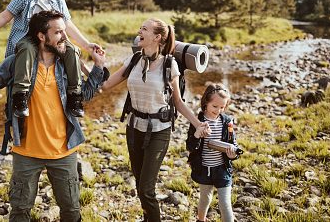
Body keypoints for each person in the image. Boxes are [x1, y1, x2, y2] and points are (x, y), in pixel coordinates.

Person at [0, 10, 106, 222]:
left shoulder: (67, 64)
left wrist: (99, 66)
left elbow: (84, 94)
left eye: (64, 31)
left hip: (64, 152)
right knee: (20, 212)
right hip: (26, 152)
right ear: (41, 36)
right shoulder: (17, 62)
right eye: (58, 32)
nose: (64, 37)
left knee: (71, 211)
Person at [101, 18, 211, 222]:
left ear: (157, 37)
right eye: (140, 27)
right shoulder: (134, 59)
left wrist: (197, 123)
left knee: (146, 189)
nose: (139, 30)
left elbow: (177, 101)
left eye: (144, 28)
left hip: (159, 131)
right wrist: (86, 65)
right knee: (139, 183)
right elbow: (106, 85)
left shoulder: (170, 65)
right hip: (134, 129)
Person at [186, 83, 240, 222]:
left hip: (222, 169)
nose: (218, 110)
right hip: (204, 169)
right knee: (205, 197)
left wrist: (233, 154)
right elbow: (190, 147)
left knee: (225, 203)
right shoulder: (197, 121)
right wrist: (197, 135)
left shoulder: (227, 122)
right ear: (205, 103)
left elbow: (233, 144)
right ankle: (201, 219)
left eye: (222, 107)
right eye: (215, 106)